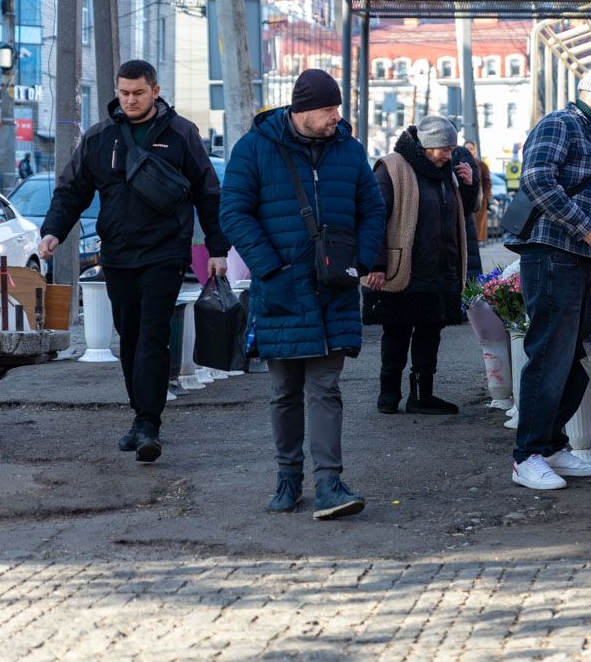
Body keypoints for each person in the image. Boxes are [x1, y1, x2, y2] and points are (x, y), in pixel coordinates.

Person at [39, 59, 230, 463]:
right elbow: (72, 190)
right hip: (118, 254)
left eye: (138, 93)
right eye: (124, 93)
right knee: (127, 336)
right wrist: (53, 230)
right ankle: (138, 416)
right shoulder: (99, 137)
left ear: (155, 91)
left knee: (151, 334)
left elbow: (208, 192)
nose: (129, 100)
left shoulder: (181, 134)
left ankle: (149, 423)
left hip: (164, 252)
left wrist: (217, 249)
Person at [220, 69, 386, 520]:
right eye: (329, 110)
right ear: (303, 111)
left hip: (333, 288)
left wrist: (362, 260)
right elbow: (232, 211)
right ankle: (288, 479)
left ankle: (330, 483)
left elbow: (373, 208)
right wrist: (268, 264)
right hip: (281, 288)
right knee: (284, 390)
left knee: (326, 387)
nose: (336, 117)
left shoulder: (348, 151)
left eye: (337, 108)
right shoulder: (254, 148)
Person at [503, 66, 591, 490]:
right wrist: (584, 227)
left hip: (576, 258)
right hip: (553, 255)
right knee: (550, 355)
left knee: (575, 356)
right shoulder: (559, 124)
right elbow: (536, 180)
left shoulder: (589, 140)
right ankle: (527, 456)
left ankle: (551, 445)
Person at [362, 117, 479, 416]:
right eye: (444, 148)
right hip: (403, 268)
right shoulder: (392, 167)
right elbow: (373, 217)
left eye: (452, 149)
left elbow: (457, 215)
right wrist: (375, 264)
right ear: (426, 145)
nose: (449, 155)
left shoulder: (447, 174)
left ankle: (421, 396)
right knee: (396, 333)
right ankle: (388, 394)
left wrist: (467, 187)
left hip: (438, 270)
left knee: (430, 334)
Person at [451, 143, 483, 280]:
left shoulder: (461, 155)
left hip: (462, 224)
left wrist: (470, 184)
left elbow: (470, 202)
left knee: (468, 275)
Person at [464, 140, 492, 243]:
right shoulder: (460, 162)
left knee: (476, 231)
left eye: (471, 149)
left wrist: (484, 198)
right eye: (467, 149)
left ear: (475, 151)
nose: (469, 151)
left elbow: (488, 182)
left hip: (478, 201)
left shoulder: (481, 165)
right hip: (465, 200)